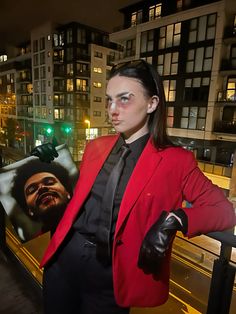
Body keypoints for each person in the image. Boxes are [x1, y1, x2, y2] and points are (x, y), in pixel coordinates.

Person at [32, 60, 236, 314]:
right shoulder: (97, 147)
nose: (112, 110)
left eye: (124, 99)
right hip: (63, 262)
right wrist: (48, 163)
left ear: (152, 103)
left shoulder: (176, 161)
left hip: (111, 279)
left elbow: (225, 211)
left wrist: (176, 219)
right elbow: (75, 197)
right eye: (109, 100)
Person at [11, 159, 73, 238]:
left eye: (50, 182)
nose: (42, 188)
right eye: (32, 190)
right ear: (29, 210)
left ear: (67, 192)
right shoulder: (37, 248)